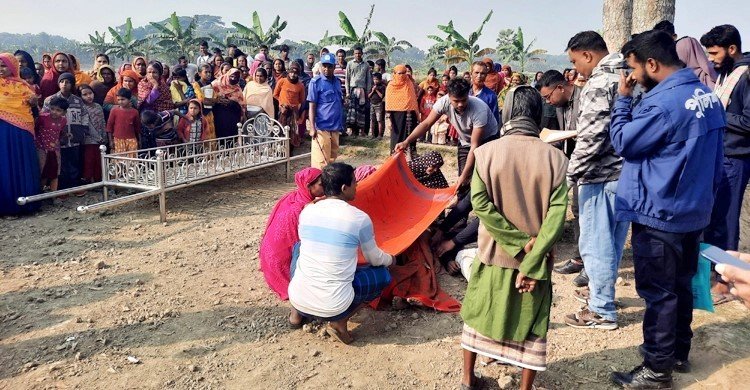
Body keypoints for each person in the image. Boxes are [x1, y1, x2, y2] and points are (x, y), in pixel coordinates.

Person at [609, 30, 726, 389]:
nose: (629, 77)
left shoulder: (663, 105)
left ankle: (656, 371)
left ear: (652, 64)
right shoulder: (706, 94)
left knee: (659, 293)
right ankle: (678, 353)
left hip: (660, 212)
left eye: (632, 68)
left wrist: (623, 101)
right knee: (681, 285)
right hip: (692, 210)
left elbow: (623, 142)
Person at [460, 86, 568, 390]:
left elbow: (481, 205)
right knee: (531, 326)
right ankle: (524, 387)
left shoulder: (484, 154)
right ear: (538, 115)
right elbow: (556, 218)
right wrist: (531, 257)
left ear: (506, 113)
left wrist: (516, 242)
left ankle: (468, 379)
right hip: (536, 261)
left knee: (479, 313)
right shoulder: (556, 159)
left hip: (493, 254)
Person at [562, 31, 629, 330]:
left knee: (596, 244)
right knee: (612, 242)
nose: (577, 69)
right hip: (625, 174)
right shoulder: (627, 75)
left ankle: (601, 310)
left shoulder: (600, 82)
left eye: (576, 62)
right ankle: (604, 295)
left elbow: (591, 138)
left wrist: (569, 176)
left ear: (587, 55)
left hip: (599, 176)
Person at [288, 163, 394, 344]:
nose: (357, 186)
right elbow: (374, 258)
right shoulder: (359, 218)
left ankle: (296, 315)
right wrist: (391, 259)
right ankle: (340, 321)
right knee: (383, 274)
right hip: (333, 306)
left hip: (297, 297)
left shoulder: (308, 210)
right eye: (354, 182)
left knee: (299, 248)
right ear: (344, 188)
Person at [700, 25, 750, 297]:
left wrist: (718, 113)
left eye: (715, 53)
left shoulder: (745, 76)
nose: (711, 59)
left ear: (732, 49)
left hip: (736, 158)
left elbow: (747, 121)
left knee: (728, 221)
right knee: (715, 218)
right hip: (721, 156)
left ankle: (727, 281)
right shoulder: (726, 73)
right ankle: (716, 272)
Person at [396, 78, 499, 191]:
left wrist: (465, 176)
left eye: (464, 100)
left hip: (487, 140)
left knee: (484, 178)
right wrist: (406, 141)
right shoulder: (443, 102)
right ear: (449, 96)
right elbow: (426, 124)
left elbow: (475, 146)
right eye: (456, 101)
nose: (460, 104)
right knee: (463, 182)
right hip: (466, 141)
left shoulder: (479, 109)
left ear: (468, 96)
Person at [538, 70, 586, 284]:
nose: (548, 101)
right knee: (577, 211)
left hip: (589, 166)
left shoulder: (585, 98)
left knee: (588, 213)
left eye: (549, 97)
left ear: (560, 87)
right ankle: (579, 258)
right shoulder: (561, 105)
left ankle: (590, 263)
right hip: (571, 161)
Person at [260, 167, 324, 300]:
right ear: (308, 186)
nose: (326, 187)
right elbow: (300, 244)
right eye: (321, 185)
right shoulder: (299, 210)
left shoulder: (293, 197)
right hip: (279, 263)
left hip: (268, 258)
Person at [0, 53, 40, 215]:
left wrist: (34, 102)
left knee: (21, 162)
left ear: (13, 67)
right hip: (2, 131)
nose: (1, 69)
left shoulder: (24, 86)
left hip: (21, 132)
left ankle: (26, 202)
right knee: (4, 163)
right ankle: (5, 204)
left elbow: (32, 108)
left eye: (4, 65)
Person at [42, 73, 91, 191]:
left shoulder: (78, 100)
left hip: (75, 137)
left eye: (68, 82)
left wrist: (83, 130)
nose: (64, 84)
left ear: (72, 84)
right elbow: (44, 116)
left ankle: (74, 186)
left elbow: (84, 115)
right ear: (58, 83)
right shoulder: (50, 100)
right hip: (57, 139)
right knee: (61, 164)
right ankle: (62, 188)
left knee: (74, 162)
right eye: (62, 81)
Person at [653, 20, 717, 89]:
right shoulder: (689, 41)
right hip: (705, 84)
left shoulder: (668, 52)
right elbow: (706, 65)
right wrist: (717, 80)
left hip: (688, 87)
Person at [307, 53, 344, 169]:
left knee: (332, 160)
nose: (326, 69)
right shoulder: (315, 83)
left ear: (334, 67)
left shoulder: (337, 82)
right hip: (321, 128)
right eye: (324, 66)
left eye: (329, 66)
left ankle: (329, 185)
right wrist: (312, 128)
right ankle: (319, 185)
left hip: (335, 128)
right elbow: (312, 106)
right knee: (321, 163)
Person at [385, 64, 420, 156]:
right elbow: (388, 104)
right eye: (399, 73)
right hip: (396, 117)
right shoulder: (391, 86)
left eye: (404, 73)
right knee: (397, 138)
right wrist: (388, 119)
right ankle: (395, 160)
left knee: (410, 138)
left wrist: (417, 115)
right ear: (394, 73)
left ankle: (410, 161)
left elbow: (413, 100)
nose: (402, 75)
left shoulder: (410, 84)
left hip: (410, 116)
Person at [36, 97, 68, 193]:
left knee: (55, 172)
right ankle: (39, 194)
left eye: (58, 110)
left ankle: (54, 195)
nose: (54, 112)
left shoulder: (63, 121)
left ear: (64, 112)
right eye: (52, 109)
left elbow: (60, 133)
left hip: (55, 150)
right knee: (42, 171)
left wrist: (66, 135)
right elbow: (35, 130)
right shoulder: (42, 118)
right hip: (41, 149)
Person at [274, 63, 306, 147]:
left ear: (298, 74)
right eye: (291, 72)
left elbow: (302, 100)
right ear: (288, 72)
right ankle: (280, 147)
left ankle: (290, 148)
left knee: (293, 131)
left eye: (295, 73)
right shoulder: (282, 81)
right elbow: (275, 94)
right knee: (281, 128)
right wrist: (282, 104)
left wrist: (296, 108)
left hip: (294, 111)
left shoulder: (300, 85)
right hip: (283, 110)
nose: (293, 75)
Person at [79, 84, 106, 183]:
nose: (88, 96)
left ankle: (98, 180)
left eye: (90, 93)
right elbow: (87, 125)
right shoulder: (83, 108)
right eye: (85, 94)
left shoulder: (98, 106)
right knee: (89, 160)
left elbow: (103, 122)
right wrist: (97, 137)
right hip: (89, 139)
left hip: (100, 139)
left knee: (99, 160)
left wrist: (104, 136)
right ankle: (88, 180)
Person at [345, 46, 373, 137]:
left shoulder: (366, 65)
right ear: (354, 54)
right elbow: (347, 79)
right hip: (353, 90)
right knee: (353, 111)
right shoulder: (350, 64)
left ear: (362, 54)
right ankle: (353, 132)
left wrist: (368, 92)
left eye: (359, 53)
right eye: (356, 53)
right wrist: (348, 92)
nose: (358, 55)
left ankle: (362, 132)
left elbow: (369, 79)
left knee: (362, 111)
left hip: (362, 91)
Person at [106, 88, 140, 156]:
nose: (120, 102)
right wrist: (110, 141)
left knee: (132, 162)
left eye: (123, 99)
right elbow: (109, 127)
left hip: (131, 140)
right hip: (118, 140)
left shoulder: (135, 112)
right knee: (119, 162)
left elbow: (137, 128)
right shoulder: (114, 111)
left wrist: (139, 140)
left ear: (129, 99)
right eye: (118, 100)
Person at [369, 72, 386, 139]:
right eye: (374, 79)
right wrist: (373, 90)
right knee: (372, 120)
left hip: (379, 104)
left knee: (379, 120)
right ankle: (372, 134)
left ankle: (379, 135)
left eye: (377, 79)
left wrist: (377, 90)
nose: (375, 81)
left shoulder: (382, 87)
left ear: (380, 80)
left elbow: (381, 96)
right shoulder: (372, 86)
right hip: (372, 103)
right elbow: (369, 96)